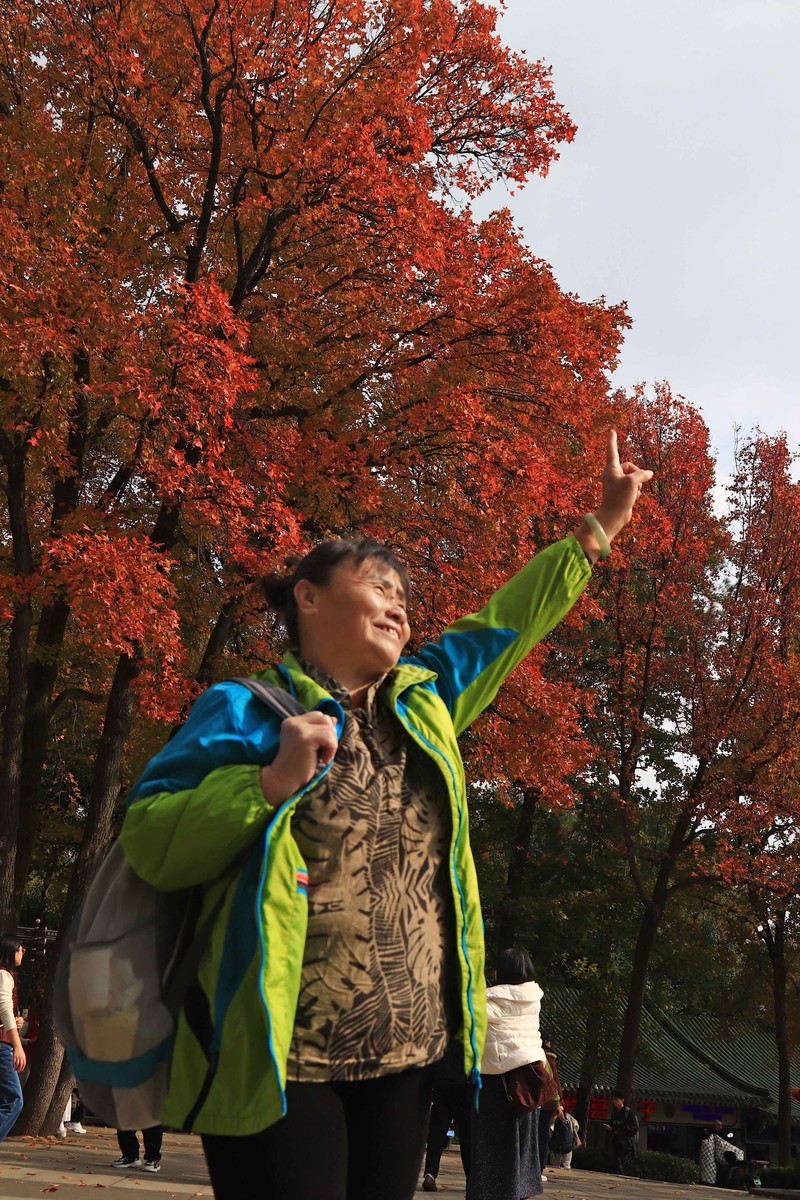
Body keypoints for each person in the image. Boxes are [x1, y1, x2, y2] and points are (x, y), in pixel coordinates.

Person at [119, 431, 652, 1200]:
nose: (398, 604)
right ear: (308, 595)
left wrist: (598, 528)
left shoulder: (426, 699)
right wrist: (266, 784)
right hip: (280, 1060)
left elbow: (509, 620)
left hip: (407, 1060)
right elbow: (150, 839)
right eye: (378, 585)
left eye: (404, 595)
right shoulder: (243, 708)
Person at [467, 948, 547, 1200]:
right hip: (528, 1083)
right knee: (521, 1148)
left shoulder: (487, 1001)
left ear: (499, 972)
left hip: (496, 1084)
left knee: (491, 1151)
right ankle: (519, 1191)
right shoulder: (533, 999)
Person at [421, 1038, 473, 1192]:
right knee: (467, 1136)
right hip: (464, 1085)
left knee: (437, 1133)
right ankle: (471, 1179)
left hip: (442, 1083)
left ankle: (430, 1174)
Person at [0, 936, 26, 1144]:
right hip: (2, 1044)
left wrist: (16, 1021)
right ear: (11, 951)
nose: (23, 953)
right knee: (14, 1101)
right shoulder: (3, 974)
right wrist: (17, 1046)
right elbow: (5, 1010)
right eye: (21, 949)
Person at [537, 1033, 562, 1178]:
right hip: (546, 1104)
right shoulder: (548, 1059)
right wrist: (558, 1103)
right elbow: (553, 1082)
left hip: (530, 1103)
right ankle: (538, 1169)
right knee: (542, 1137)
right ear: (546, 1042)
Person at [604, 1091, 639, 1175]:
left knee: (618, 1160)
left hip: (626, 1143)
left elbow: (635, 1128)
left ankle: (621, 1176)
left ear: (622, 1100)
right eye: (613, 1100)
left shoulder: (628, 1113)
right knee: (617, 1162)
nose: (614, 1102)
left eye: (616, 1100)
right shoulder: (614, 1114)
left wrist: (621, 1131)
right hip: (616, 1142)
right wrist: (610, 1129)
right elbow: (613, 1126)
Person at [549, 1104, 579, 1168]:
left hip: (555, 1146)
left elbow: (550, 1130)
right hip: (568, 1146)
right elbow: (576, 1127)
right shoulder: (568, 1116)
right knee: (567, 1164)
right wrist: (575, 1138)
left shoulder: (553, 1118)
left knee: (555, 1165)